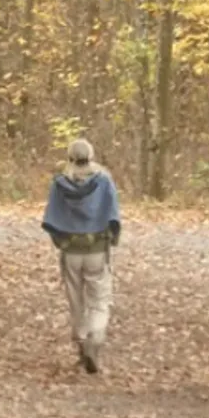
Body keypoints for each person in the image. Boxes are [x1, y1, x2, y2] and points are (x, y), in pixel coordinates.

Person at [40, 137, 122, 375]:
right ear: (91, 155)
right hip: (96, 248)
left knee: (76, 300)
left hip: (71, 251)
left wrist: (61, 242)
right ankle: (94, 339)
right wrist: (111, 240)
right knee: (99, 299)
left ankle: (81, 341)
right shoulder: (104, 180)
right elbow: (113, 216)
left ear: (70, 157)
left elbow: (51, 217)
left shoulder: (59, 182)